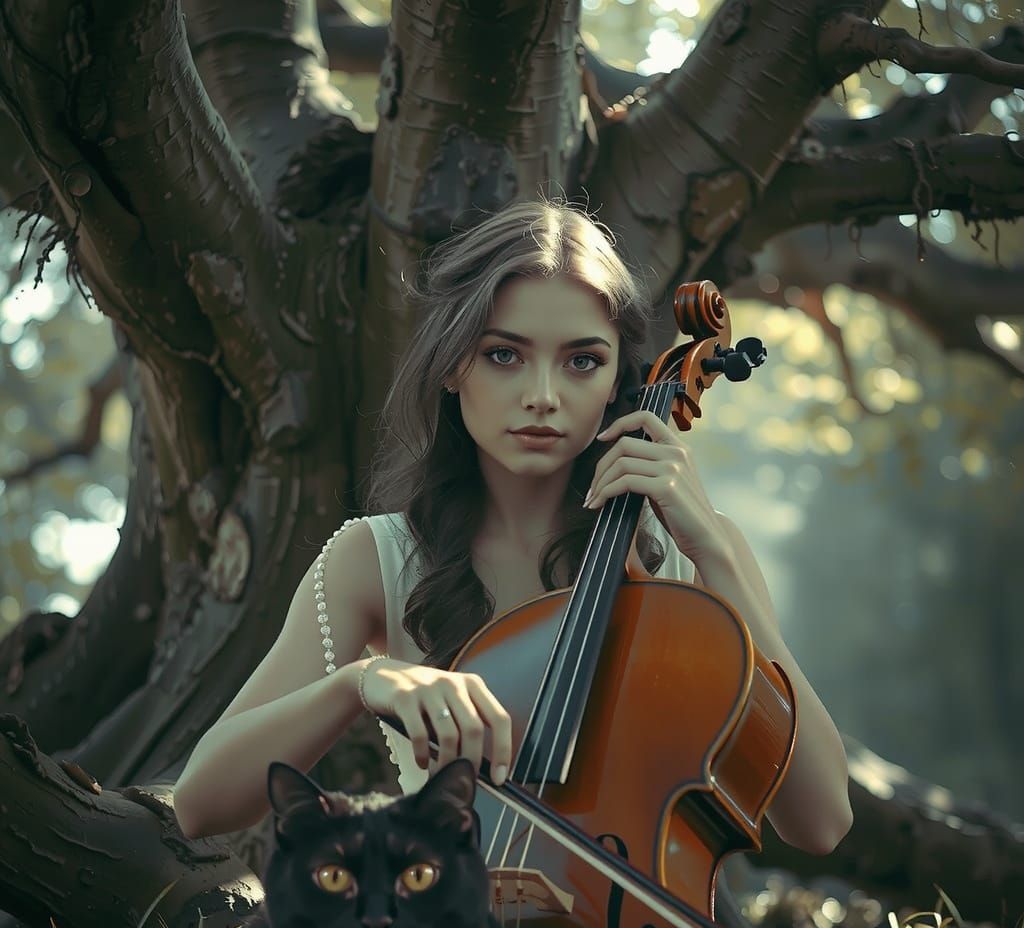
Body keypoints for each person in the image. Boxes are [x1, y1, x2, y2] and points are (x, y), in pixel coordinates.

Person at [173, 199, 853, 858]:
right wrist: (358, 684)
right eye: (505, 355)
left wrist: (714, 555)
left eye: (582, 361)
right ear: (451, 364)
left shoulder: (693, 556)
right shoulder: (374, 558)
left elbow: (820, 821)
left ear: (618, 378)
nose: (543, 395)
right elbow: (202, 804)